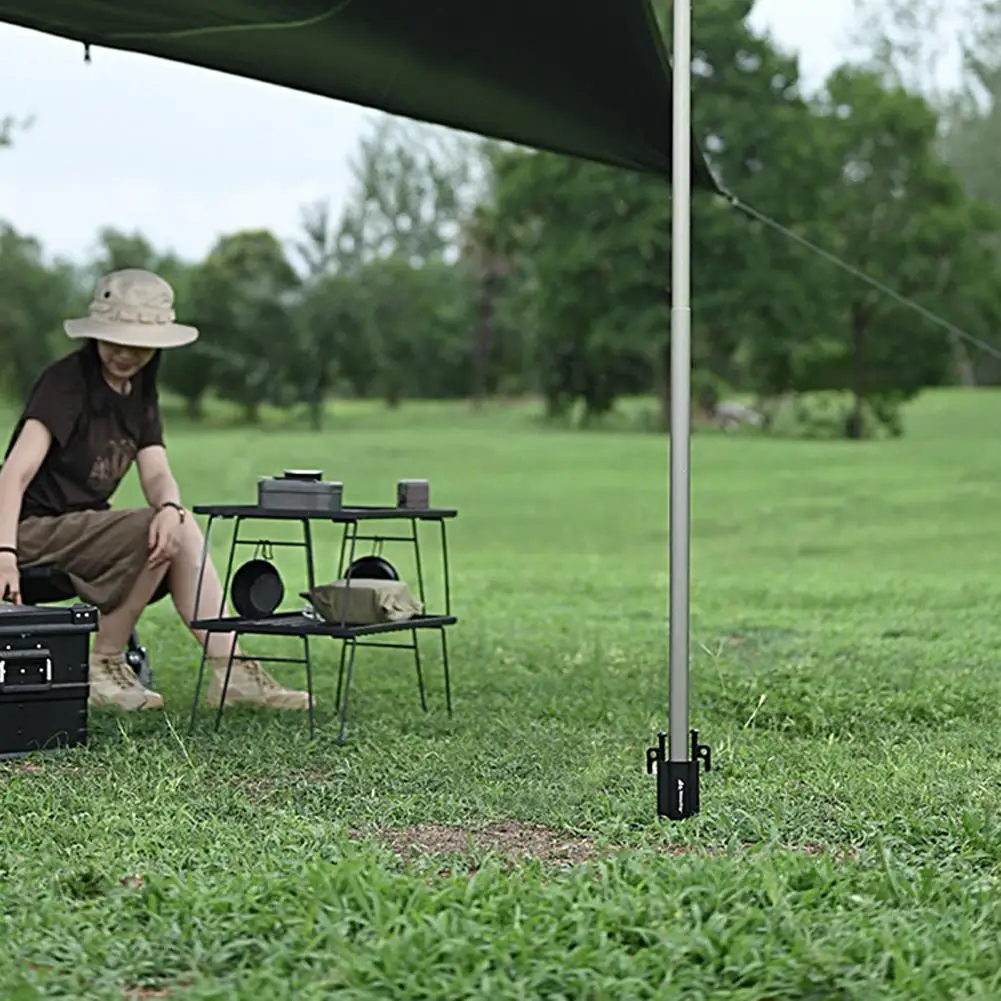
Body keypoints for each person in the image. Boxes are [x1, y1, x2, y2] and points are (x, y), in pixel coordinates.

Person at [0, 268, 312, 713]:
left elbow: (156, 472)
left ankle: (234, 670)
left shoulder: (139, 390)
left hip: (78, 531)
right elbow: (14, 473)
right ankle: (104, 664)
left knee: (172, 522)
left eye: (139, 345)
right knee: (160, 526)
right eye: (116, 341)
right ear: (96, 335)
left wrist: (169, 505)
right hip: (26, 528)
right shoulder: (67, 383)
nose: (125, 353)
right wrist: (4, 553)